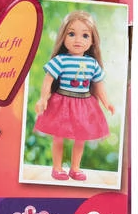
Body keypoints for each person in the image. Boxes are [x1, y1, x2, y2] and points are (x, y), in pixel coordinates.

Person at [33, 11, 114, 181]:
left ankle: (75, 168)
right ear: (63, 37)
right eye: (71, 34)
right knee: (58, 136)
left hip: (84, 104)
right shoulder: (61, 60)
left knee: (80, 138)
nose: (78, 40)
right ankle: (57, 168)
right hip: (62, 102)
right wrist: (43, 98)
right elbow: (48, 80)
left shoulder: (92, 63)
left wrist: (107, 103)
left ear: (92, 41)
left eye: (85, 35)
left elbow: (99, 85)